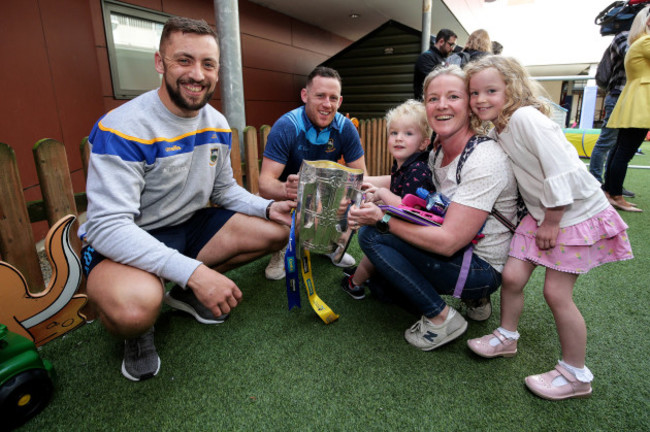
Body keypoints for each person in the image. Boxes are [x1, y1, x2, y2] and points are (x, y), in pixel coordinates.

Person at [79, 17, 293, 382]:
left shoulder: (217, 123)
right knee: (134, 313)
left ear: (217, 71)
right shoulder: (122, 127)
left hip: (187, 228)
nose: (197, 74)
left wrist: (269, 207)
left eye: (208, 64)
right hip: (126, 242)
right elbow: (107, 226)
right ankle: (143, 327)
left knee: (278, 231)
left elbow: (223, 191)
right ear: (160, 63)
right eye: (184, 60)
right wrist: (194, 271)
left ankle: (181, 293)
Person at [465, 55, 633, 400]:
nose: (481, 99)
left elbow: (563, 169)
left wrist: (553, 221)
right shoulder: (501, 127)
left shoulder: (526, 118)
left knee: (556, 294)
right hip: (543, 212)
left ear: (511, 89)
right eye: (474, 92)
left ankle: (575, 375)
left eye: (491, 90)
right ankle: (507, 337)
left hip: (569, 214)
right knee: (512, 277)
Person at [348, 65, 518, 351]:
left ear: (469, 104)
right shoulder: (438, 150)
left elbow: (449, 242)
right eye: (432, 98)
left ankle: (442, 317)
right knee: (381, 288)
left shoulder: (484, 159)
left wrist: (381, 219)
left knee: (371, 237)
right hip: (461, 249)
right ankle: (474, 300)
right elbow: (402, 180)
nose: (441, 105)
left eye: (453, 96)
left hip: (479, 265)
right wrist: (354, 180)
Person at [259, 66, 367, 280]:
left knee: (354, 194)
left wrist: (350, 195)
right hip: (291, 197)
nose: (327, 104)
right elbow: (264, 184)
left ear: (340, 101)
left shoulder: (346, 128)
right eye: (320, 96)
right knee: (278, 202)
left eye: (333, 98)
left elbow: (360, 177)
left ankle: (330, 243)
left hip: (324, 195)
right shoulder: (286, 126)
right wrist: (285, 188)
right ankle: (282, 248)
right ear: (305, 95)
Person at [341, 100, 434, 300]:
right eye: (394, 133)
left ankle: (355, 283)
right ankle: (365, 275)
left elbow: (407, 209)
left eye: (408, 134)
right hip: (406, 229)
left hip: (415, 236)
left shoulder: (418, 170)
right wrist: (375, 195)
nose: (399, 138)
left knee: (374, 234)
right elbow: (397, 193)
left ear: (424, 142)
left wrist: (382, 194)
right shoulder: (405, 165)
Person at [603, 6, 650, 212]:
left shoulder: (639, 42)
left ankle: (610, 191)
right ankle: (615, 195)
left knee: (620, 149)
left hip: (634, 99)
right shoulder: (646, 42)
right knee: (624, 151)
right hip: (641, 102)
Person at [588, 30, 631, 194]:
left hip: (632, 97)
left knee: (620, 144)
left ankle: (613, 185)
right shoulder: (624, 36)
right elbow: (631, 56)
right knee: (607, 141)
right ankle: (595, 182)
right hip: (618, 95)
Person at [413, 29, 458, 99]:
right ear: (441, 41)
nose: (452, 49)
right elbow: (435, 82)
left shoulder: (443, 59)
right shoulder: (426, 57)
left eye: (454, 46)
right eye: (451, 44)